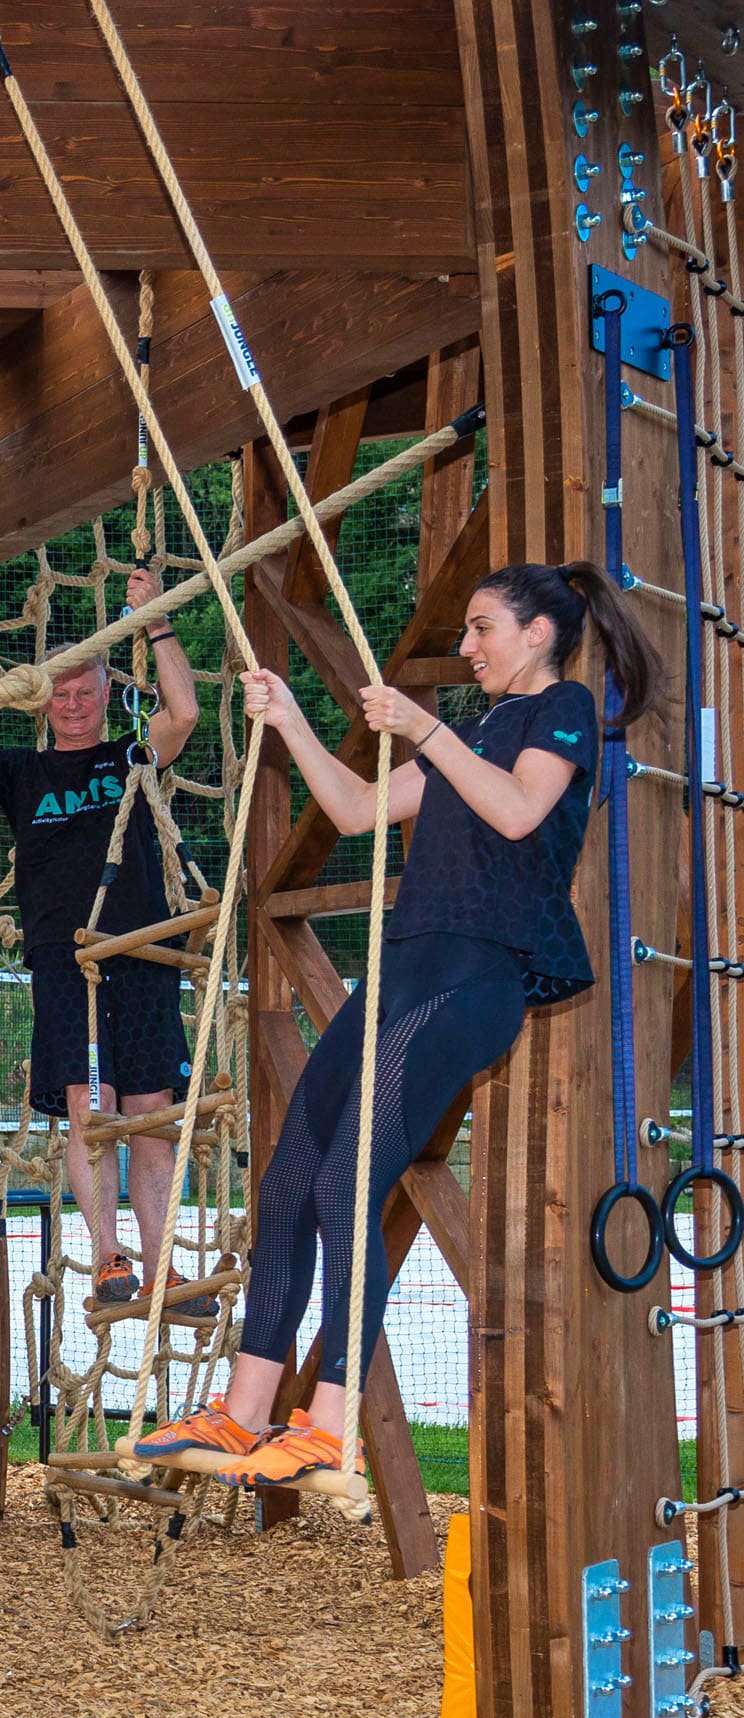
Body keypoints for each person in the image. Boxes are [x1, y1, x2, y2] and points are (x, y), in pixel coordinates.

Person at [136, 561, 651, 1485]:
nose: (466, 646)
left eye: (482, 628)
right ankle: (245, 1410)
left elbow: (522, 811)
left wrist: (425, 730)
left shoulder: (562, 707)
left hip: (477, 977)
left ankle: (331, 1422)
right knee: (292, 1176)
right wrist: (289, 719)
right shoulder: (484, 725)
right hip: (408, 966)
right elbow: (360, 808)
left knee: (348, 1178)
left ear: (538, 633)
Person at [0, 566, 200, 1307]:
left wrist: (153, 621)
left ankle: (163, 1266)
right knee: (88, 1110)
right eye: (61, 694)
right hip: (67, 957)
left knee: (152, 1117)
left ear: (104, 694)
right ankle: (109, 1260)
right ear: (45, 701)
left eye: (84, 691)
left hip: (142, 950)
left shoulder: (128, 754)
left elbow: (185, 712)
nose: (72, 704)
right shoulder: (19, 772)